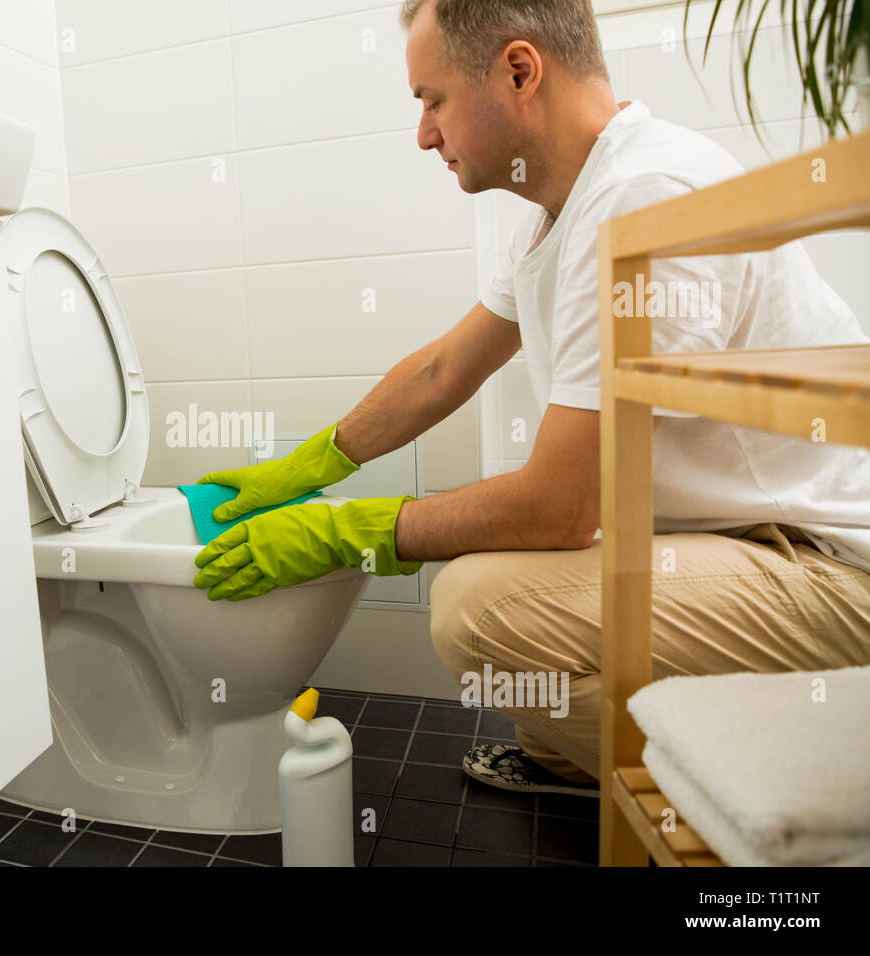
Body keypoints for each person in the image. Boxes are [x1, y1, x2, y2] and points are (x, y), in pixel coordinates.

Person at [190, 0, 870, 796]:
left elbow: (560, 508)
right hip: (740, 546)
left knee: (476, 606)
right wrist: (314, 463)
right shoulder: (563, 205)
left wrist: (352, 531)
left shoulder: (642, 195)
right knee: (497, 566)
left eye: (432, 100)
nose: (425, 135)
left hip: (824, 574)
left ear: (519, 71)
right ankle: (579, 756)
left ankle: (800, 792)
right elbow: (447, 368)